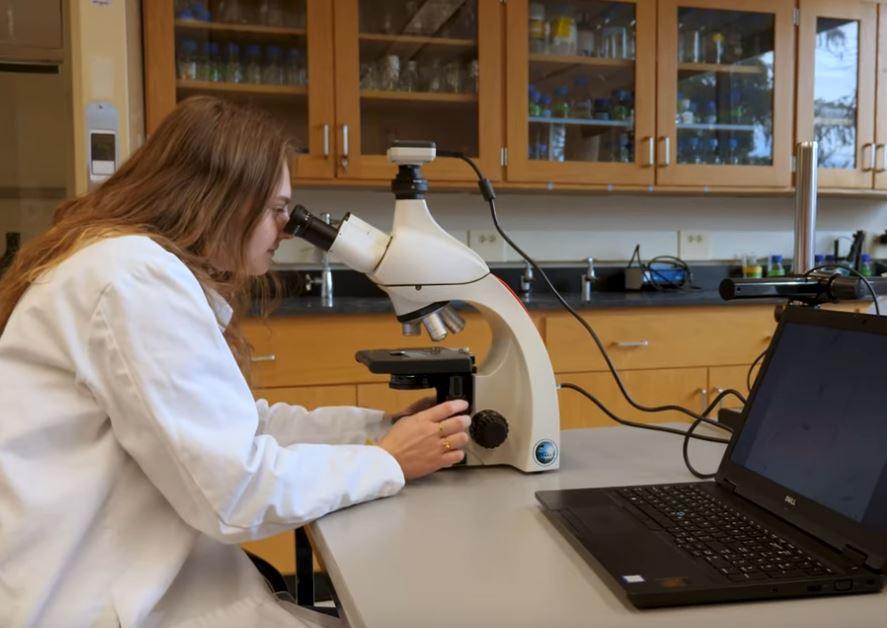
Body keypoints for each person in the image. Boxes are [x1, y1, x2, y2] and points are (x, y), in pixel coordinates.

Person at [0, 96, 471, 628]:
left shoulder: (125, 265)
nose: (287, 228)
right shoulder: (133, 279)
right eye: (276, 209)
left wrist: (381, 429)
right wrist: (387, 461)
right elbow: (232, 492)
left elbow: (240, 427)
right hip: (100, 605)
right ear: (215, 198)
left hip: (136, 580)